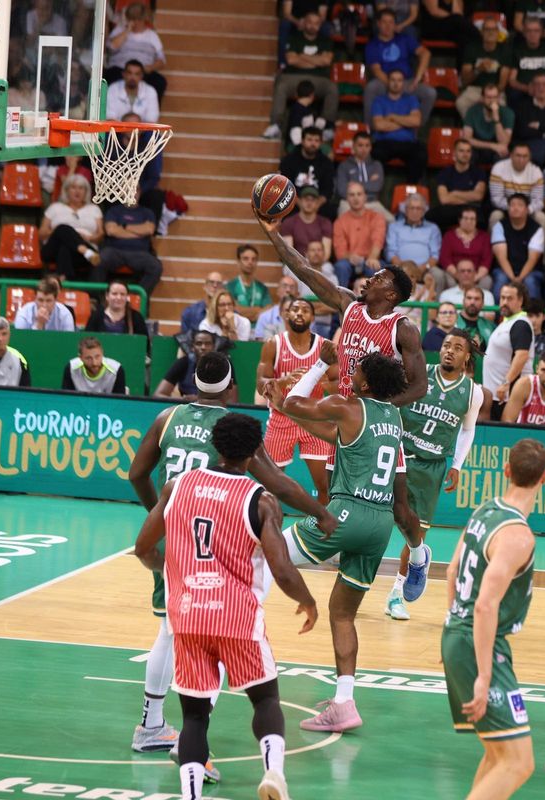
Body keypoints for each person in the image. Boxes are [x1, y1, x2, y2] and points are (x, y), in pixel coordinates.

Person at [128, 353, 336, 759]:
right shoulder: (230, 429)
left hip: (176, 536)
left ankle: (152, 723)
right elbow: (279, 482)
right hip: (216, 539)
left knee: (171, 630)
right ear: (230, 388)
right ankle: (187, 740)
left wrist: (162, 515)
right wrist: (320, 512)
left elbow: (137, 474)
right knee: (219, 628)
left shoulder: (167, 418)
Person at [263, 344, 425, 731]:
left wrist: (319, 364)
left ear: (367, 380)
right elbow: (325, 429)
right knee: (343, 613)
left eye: (357, 370)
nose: (350, 373)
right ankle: (344, 702)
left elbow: (299, 402)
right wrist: (417, 550)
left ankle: (247, 651)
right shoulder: (392, 419)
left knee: (263, 555)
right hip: (380, 524)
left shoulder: (348, 406)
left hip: (346, 512)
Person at [441, 439, 545, 800]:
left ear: (506, 470)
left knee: (499, 752)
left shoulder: (485, 509)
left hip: (459, 634)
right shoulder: (518, 536)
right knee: (519, 763)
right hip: (478, 641)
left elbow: (452, 571)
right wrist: (483, 677)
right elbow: (486, 606)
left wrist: (451, 626)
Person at [258, 210, 429, 407]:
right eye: (373, 276)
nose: (369, 280)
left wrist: (379, 408)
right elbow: (305, 271)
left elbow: (419, 387)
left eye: (378, 279)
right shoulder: (348, 304)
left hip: (376, 419)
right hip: (345, 410)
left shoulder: (403, 329)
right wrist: (273, 234)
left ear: (391, 295)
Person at [386, 328, 486, 620]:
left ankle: (396, 593)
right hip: (400, 455)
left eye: (457, 347)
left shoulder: (473, 393)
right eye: (446, 345)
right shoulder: (419, 373)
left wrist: (457, 465)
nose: (449, 351)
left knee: (414, 533)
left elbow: (468, 430)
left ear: (467, 356)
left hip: (432, 466)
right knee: (379, 518)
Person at [256, 298, 334, 502]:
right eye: (295, 309)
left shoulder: (324, 347)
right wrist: (283, 381)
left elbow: (340, 385)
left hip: (314, 418)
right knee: (270, 483)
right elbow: (259, 384)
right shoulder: (274, 344)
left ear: (313, 317)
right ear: (286, 315)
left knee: (325, 484)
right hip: (282, 417)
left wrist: (327, 385)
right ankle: (265, 526)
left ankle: (323, 528)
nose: (300, 313)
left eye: (305, 310)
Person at [265, 10, 337, 139]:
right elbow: (291, 60)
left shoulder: (325, 41)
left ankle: (327, 126)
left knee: (332, 88)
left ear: (320, 25)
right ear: (304, 23)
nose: (312, 26)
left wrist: (302, 57)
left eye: (316, 23)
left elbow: (326, 61)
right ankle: (275, 125)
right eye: (309, 22)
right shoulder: (294, 38)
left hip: (318, 79)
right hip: (294, 77)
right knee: (281, 86)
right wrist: (316, 60)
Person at [363, 8, 436, 125]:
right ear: (378, 24)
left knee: (430, 93)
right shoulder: (372, 45)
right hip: (385, 81)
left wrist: (417, 78)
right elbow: (376, 70)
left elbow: (425, 53)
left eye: (391, 22)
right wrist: (393, 85)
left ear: (395, 24)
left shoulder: (404, 39)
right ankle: (369, 130)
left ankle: (414, 127)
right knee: (371, 88)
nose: (388, 26)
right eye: (384, 22)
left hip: (407, 82)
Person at [482, 283, 534, 419]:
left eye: (509, 298)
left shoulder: (520, 323)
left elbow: (522, 355)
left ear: (520, 300)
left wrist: (506, 383)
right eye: (502, 298)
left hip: (507, 396)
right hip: (497, 395)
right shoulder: (507, 322)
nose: (504, 302)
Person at [39, 174, 104, 280]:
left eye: (81, 188)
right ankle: (85, 251)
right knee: (62, 228)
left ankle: (64, 281)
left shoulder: (94, 209)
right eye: (73, 187)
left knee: (65, 247)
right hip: (52, 250)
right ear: (66, 190)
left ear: (86, 191)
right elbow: (41, 234)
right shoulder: (55, 207)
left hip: (83, 250)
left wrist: (88, 238)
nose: (77, 191)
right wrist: (58, 232)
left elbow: (101, 235)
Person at [94, 198, 163, 297]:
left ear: (139, 193)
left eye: (135, 190)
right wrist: (139, 232)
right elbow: (111, 231)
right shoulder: (114, 211)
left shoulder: (147, 212)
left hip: (140, 253)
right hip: (114, 251)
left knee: (156, 267)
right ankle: (97, 299)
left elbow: (149, 230)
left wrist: (124, 226)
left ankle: (136, 298)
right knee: (97, 260)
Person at [370, 69, 428, 184]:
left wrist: (392, 117)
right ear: (388, 81)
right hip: (384, 142)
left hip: (408, 143)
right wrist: (405, 123)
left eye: (399, 80)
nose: (396, 83)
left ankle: (412, 192)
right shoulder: (379, 101)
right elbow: (379, 125)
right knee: (375, 154)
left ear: (403, 83)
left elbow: (416, 121)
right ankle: (374, 191)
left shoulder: (411, 99)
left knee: (420, 155)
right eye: (393, 80)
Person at [104, 2, 167, 99]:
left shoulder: (152, 36)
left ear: (143, 19)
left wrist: (150, 67)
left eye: (137, 19)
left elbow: (162, 60)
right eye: (132, 19)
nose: (135, 22)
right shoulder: (119, 30)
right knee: (109, 76)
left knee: (160, 81)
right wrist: (127, 31)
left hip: (142, 72)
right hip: (120, 70)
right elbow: (112, 46)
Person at [155, 330, 236, 404]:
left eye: (207, 344)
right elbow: (159, 394)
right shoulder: (183, 362)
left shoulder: (225, 365)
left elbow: (232, 401)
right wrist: (182, 400)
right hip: (188, 408)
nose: (203, 347)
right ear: (192, 347)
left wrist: (199, 400)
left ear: (214, 347)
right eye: (199, 343)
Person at [455, 14, 511, 120]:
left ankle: (488, 132)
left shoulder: (505, 51)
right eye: (487, 29)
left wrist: (489, 96)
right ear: (481, 32)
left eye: (494, 29)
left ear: (498, 32)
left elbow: (502, 83)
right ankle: (474, 127)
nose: (490, 32)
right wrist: (478, 69)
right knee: (461, 102)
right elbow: (464, 80)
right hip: (474, 90)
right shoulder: (471, 48)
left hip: (495, 91)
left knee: (502, 106)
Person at [388, 193, 446, 291]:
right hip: (400, 266)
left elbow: (435, 255)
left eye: (418, 208)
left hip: (425, 268)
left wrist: (423, 268)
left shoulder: (433, 228)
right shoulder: (394, 227)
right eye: (412, 208)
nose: (415, 211)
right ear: (405, 210)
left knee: (438, 275)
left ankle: (434, 305)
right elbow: (390, 252)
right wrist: (403, 268)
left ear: (424, 211)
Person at [333, 181, 387, 287]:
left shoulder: (376, 217)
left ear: (365, 197)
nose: (356, 198)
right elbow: (340, 251)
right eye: (352, 195)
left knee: (374, 267)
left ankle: (375, 302)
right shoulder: (340, 222)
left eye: (359, 194)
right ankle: (342, 301)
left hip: (370, 258)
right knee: (341, 267)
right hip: (349, 261)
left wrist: (372, 258)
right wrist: (350, 256)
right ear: (347, 199)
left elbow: (378, 241)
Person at [490, 193, 545, 296]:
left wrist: (519, 279)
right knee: (501, 279)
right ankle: (498, 312)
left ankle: (533, 312)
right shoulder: (499, 226)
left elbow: (532, 260)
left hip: (530, 271)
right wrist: (513, 278)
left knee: (530, 281)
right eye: (512, 205)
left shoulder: (536, 228)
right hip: (504, 270)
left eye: (520, 205)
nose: (515, 208)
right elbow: (501, 258)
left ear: (527, 209)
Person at [431, 138, 487, 231]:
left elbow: (478, 196)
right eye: (461, 151)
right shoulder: (445, 173)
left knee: (481, 217)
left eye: (468, 151)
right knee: (432, 216)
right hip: (451, 209)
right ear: (454, 153)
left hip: (471, 210)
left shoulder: (479, 173)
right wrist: (468, 199)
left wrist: (454, 193)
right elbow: (444, 199)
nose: (465, 154)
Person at [279, 127, 336, 219]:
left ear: (321, 143)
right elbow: (286, 186)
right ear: (302, 141)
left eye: (316, 141)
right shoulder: (289, 160)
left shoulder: (326, 163)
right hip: (295, 201)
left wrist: (316, 205)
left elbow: (328, 189)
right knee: (285, 208)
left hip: (317, 203)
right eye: (309, 140)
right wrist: (301, 204)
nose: (313, 144)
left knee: (331, 211)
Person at [512, 72, 545, 167]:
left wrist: (539, 126)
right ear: (532, 87)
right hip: (530, 146)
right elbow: (522, 131)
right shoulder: (522, 106)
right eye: (537, 84)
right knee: (524, 157)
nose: (541, 88)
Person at [335, 132, 390, 221]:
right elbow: (342, 190)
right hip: (348, 203)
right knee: (342, 222)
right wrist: (368, 184)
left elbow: (377, 187)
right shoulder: (344, 165)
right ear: (353, 146)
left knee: (391, 221)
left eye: (367, 145)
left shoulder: (376, 165)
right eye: (360, 145)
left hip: (371, 203)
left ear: (371, 147)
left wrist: (354, 185)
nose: (364, 149)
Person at [488, 142, 545, 226]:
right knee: (495, 216)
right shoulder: (499, 168)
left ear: (529, 157)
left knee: (541, 217)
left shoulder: (536, 171)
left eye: (525, 156)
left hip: (527, 209)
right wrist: (514, 208)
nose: (521, 160)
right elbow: (496, 199)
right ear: (511, 156)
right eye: (518, 155)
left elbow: (538, 201)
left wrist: (525, 210)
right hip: (505, 208)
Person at [462, 81, 515, 167]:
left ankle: (497, 180)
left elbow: (504, 142)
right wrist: (492, 146)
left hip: (497, 150)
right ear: (482, 98)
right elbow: (467, 139)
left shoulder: (508, 113)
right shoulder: (472, 111)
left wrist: (497, 120)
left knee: (503, 154)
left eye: (495, 97)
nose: (492, 101)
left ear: (498, 98)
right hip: (478, 147)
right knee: (467, 153)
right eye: (488, 97)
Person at [440, 207, 493, 288]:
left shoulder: (484, 237)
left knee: (487, 281)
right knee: (449, 282)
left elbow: (486, 261)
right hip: (454, 274)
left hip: (476, 275)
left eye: (472, 219)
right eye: (465, 218)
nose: (469, 221)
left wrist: (474, 278)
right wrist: (459, 276)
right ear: (459, 220)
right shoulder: (449, 236)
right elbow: (445, 259)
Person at [282, 185, 334, 263]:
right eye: (306, 199)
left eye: (312, 200)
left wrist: (315, 265)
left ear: (317, 203)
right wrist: (302, 267)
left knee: (328, 271)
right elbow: (289, 252)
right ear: (299, 201)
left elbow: (326, 253)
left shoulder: (325, 223)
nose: (309, 203)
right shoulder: (288, 222)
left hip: (320, 263)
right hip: (295, 264)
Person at [224, 245, 272, 324]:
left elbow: (268, 310)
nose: (250, 262)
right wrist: (257, 309)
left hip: (258, 331)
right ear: (238, 262)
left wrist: (243, 311)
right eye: (245, 259)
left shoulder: (263, 288)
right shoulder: (230, 286)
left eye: (254, 259)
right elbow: (234, 310)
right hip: (237, 329)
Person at [61, 336, 126, 394]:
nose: (94, 363)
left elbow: (119, 403)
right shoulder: (71, 368)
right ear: (80, 358)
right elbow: (67, 399)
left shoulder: (117, 369)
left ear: (102, 353)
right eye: (88, 358)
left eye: (97, 356)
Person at [107, 59, 160, 124]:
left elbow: (152, 120)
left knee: (153, 133)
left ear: (141, 76)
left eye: (137, 74)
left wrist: (135, 129)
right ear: (124, 74)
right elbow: (110, 117)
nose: (133, 77)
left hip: (142, 130)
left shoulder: (150, 91)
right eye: (129, 73)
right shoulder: (113, 88)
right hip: (118, 130)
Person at [458, 286, 496, 351]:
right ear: (463, 301)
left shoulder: (490, 326)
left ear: (483, 303)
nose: (472, 302)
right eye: (469, 298)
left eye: (477, 299)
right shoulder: (452, 322)